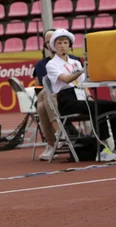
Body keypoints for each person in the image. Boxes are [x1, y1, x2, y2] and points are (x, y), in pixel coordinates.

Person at [46, 29, 116, 161]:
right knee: (96, 108)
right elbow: (66, 79)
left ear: (70, 46)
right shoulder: (52, 64)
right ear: (54, 46)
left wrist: (89, 96)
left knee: (114, 105)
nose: (63, 45)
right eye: (59, 43)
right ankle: (103, 148)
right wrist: (82, 70)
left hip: (82, 97)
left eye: (65, 42)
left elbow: (84, 84)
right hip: (67, 100)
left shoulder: (75, 62)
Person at [33, 29, 81, 160]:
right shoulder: (41, 64)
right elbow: (37, 85)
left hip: (67, 94)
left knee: (44, 103)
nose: (50, 44)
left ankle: (52, 142)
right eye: (47, 42)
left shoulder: (75, 61)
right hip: (49, 96)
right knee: (45, 97)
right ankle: (56, 137)